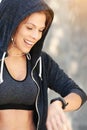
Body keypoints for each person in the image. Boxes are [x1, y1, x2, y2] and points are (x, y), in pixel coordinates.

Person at [0, 0, 87, 130]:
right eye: (29, 28)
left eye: (41, 30)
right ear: (12, 23)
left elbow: (78, 93)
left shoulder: (42, 62)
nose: (36, 36)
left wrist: (59, 104)